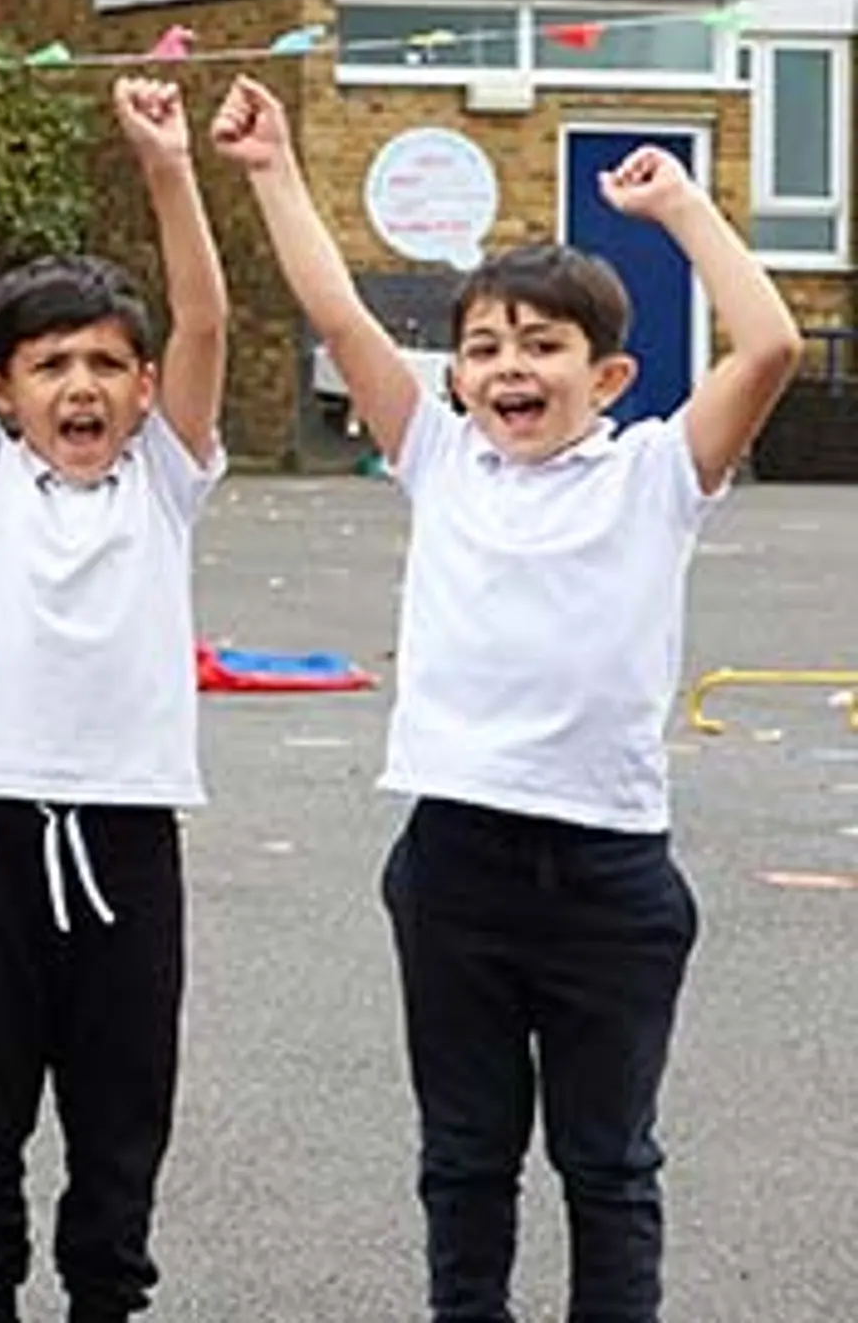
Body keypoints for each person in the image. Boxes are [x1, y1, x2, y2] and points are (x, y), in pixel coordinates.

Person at [209, 78, 799, 1323]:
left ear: (611, 372)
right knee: (466, 1159)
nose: (509, 369)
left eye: (542, 346)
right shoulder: (440, 459)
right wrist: (270, 167)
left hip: (610, 878)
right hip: (456, 861)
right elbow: (334, 307)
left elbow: (772, 346)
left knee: (608, 1164)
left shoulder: (655, 474)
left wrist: (685, 208)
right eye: (484, 347)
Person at [0, 66, 227, 1323]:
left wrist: (168, 165)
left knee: (120, 1114)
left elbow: (204, 321)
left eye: (107, 364)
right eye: (49, 366)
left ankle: (107, 1301)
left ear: (144, 388)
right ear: (5, 392)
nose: (81, 388)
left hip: (126, 834)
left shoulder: (165, 483)